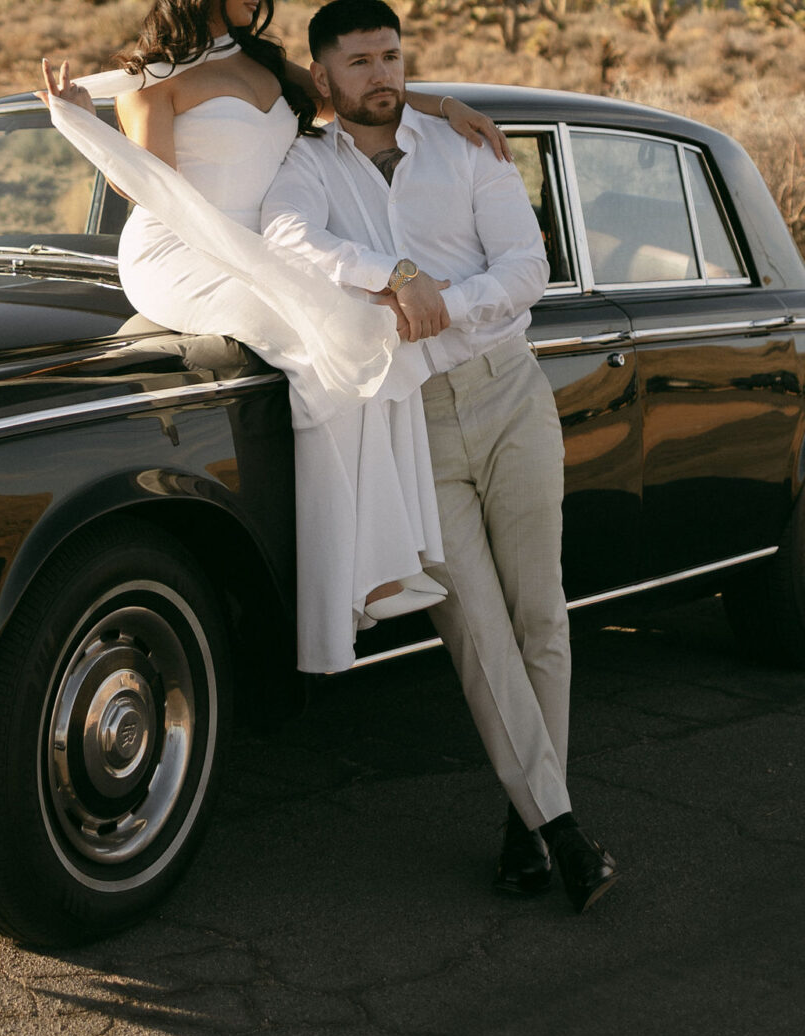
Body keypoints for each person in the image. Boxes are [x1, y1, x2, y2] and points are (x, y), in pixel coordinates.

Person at [261, 0, 619, 912]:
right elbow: (288, 240)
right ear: (324, 78)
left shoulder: (467, 149)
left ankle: (528, 817)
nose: (381, 73)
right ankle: (563, 829)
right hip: (408, 422)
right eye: (359, 61)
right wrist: (395, 276)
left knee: (542, 615)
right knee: (475, 631)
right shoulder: (304, 165)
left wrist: (442, 307)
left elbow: (525, 271)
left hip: (507, 393)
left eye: (391, 54)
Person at [37, 0, 511, 674]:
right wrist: (85, 121)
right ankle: (347, 588)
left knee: (377, 332)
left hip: (263, 251)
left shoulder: (264, 61)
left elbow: (353, 95)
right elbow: (148, 184)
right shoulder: (152, 77)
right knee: (325, 347)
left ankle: (388, 556)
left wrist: (445, 108)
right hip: (179, 251)